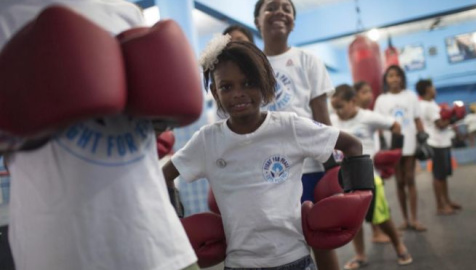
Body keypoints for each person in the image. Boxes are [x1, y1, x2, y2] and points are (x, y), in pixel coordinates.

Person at [0, 1, 198, 269]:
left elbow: (146, 124)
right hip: (64, 253)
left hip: (162, 245)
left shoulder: (124, 11)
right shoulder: (7, 14)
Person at [162, 37, 369, 269]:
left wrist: (357, 199)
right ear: (215, 91)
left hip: (295, 259)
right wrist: (175, 225)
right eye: (226, 87)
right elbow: (164, 176)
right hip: (240, 263)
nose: (238, 93)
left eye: (249, 83)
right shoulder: (207, 140)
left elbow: (352, 145)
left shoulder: (289, 127)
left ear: (265, 83)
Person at [253, 1, 339, 268]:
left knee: (320, 241)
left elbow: (321, 117)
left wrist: (333, 171)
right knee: (280, 249)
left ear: (293, 21)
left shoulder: (308, 60)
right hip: (265, 172)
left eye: (287, 8)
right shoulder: (250, 64)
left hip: (309, 169)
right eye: (270, 7)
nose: (279, 11)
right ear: (257, 20)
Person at [331, 84, 413, 269]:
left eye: (341, 106)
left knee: (381, 217)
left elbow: (396, 125)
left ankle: (399, 246)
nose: (337, 111)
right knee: (352, 222)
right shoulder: (332, 120)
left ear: (353, 101)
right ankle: (360, 255)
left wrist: (394, 155)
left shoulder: (367, 117)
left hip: (369, 176)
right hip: (343, 178)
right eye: (334, 107)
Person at [374, 65, 427, 232]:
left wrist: (422, 137)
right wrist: (381, 143)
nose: (394, 78)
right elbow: (378, 124)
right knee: (399, 181)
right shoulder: (381, 100)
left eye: (397, 75)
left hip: (410, 142)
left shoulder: (410, 96)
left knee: (410, 179)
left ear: (402, 78)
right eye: (391, 76)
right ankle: (405, 220)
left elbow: (418, 119)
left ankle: (414, 219)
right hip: (393, 145)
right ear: (386, 80)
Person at [416, 79, 462, 215]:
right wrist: (454, 118)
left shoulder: (430, 103)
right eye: (433, 88)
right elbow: (440, 124)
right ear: (427, 90)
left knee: (443, 175)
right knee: (439, 176)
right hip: (436, 143)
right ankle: (440, 205)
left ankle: (446, 201)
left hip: (442, 142)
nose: (435, 90)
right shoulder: (427, 105)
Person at [353, 81, 391, 244]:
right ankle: (377, 232)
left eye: (370, 91)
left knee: (377, 202)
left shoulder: (369, 114)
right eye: (364, 92)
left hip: (373, 165)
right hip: (361, 169)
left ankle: (379, 231)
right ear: (354, 96)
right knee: (370, 202)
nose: (369, 95)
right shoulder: (358, 116)